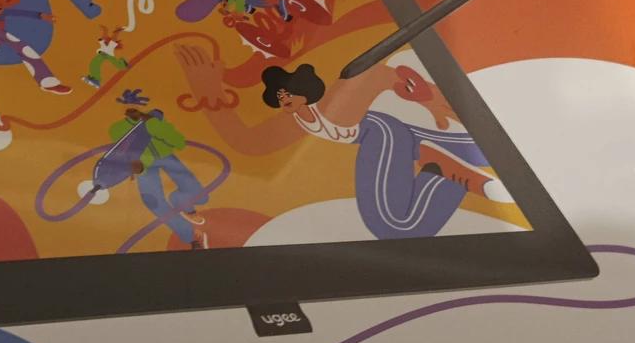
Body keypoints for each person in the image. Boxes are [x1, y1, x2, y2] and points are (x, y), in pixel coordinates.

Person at [174, 44, 511, 240]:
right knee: (402, 230)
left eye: (288, 93)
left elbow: (379, 75)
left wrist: (430, 99)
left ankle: (443, 168)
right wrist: (210, 93)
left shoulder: (332, 105)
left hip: (390, 131)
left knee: (392, 226)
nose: (285, 99)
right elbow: (248, 143)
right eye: (279, 97)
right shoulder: (296, 122)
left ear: (302, 90)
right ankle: (442, 173)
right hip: (414, 136)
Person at [108, 108, 209, 249]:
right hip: (144, 165)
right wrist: (130, 162)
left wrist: (153, 124)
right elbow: (120, 151)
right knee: (153, 201)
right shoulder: (118, 129)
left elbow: (179, 142)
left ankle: (181, 201)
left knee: (201, 198)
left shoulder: (155, 121)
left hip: (165, 156)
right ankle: (190, 235)